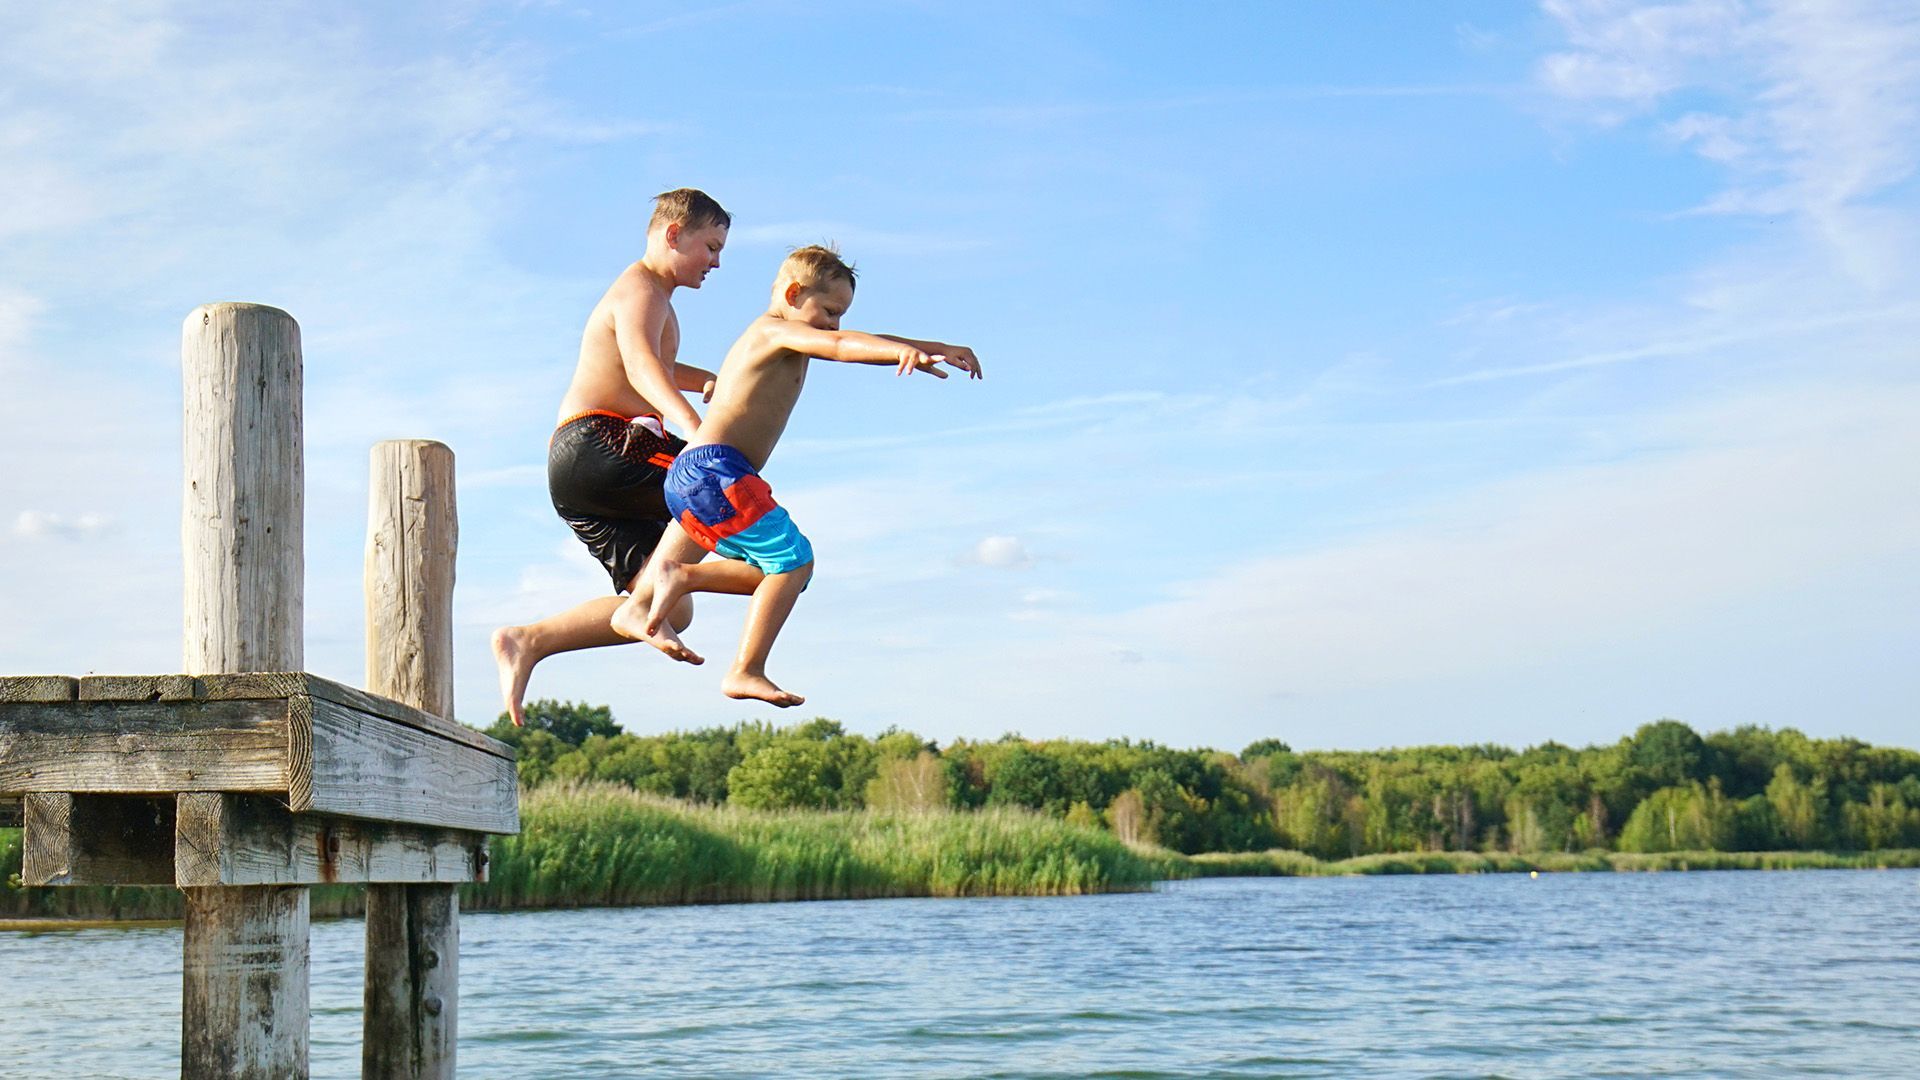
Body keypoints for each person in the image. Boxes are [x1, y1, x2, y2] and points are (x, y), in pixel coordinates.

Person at [636, 245, 981, 707]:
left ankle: (674, 580)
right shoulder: (773, 332)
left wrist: (934, 349)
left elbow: (860, 336)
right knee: (794, 562)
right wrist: (899, 352)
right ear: (794, 293)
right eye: (830, 311)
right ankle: (743, 667)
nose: (834, 325)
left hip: (701, 475)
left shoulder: (787, 336)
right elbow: (842, 347)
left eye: (841, 316)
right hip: (716, 470)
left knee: (784, 571)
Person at [490, 188, 730, 726]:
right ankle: (781, 574)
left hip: (583, 471)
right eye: (711, 247)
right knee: (722, 488)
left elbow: (652, 366)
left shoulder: (650, 299)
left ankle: (529, 640)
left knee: (673, 606)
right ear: (674, 234)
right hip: (602, 443)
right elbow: (643, 370)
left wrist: (704, 379)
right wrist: (696, 431)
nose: (716, 262)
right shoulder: (643, 289)